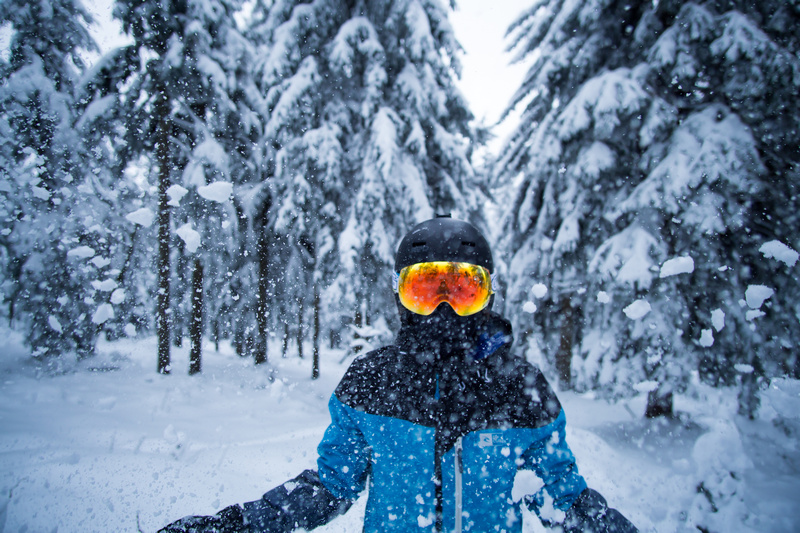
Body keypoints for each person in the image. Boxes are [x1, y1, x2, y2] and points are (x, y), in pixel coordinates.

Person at [159, 216, 637, 533]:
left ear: (488, 296)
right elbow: (330, 486)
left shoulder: (522, 390)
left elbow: (564, 498)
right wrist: (238, 524)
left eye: (463, 290)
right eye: (427, 290)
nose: (446, 309)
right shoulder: (372, 384)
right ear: (400, 295)